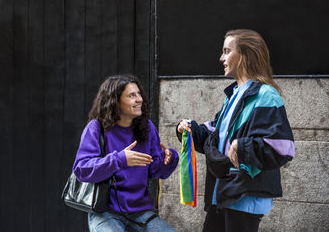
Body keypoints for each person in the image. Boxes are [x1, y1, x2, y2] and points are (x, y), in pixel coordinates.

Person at [176, 29, 295, 232]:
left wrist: (242, 146)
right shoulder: (233, 95)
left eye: (227, 51)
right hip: (224, 193)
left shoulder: (265, 95)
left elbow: (282, 147)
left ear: (245, 55)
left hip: (244, 196)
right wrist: (188, 129)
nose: (221, 57)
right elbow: (215, 135)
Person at [73, 75, 178, 232]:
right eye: (131, 95)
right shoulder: (96, 128)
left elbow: (155, 171)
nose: (139, 99)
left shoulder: (147, 127)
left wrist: (168, 159)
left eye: (139, 94)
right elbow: (82, 169)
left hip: (141, 212)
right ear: (114, 101)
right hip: (106, 212)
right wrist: (119, 159)